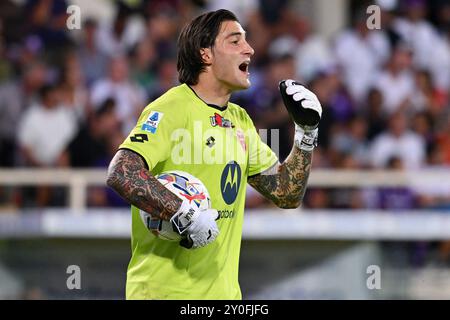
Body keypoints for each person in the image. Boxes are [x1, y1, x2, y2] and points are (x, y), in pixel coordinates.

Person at [106, 9, 322, 300]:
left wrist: (306, 135)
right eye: (235, 41)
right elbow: (122, 171)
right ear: (205, 54)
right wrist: (183, 214)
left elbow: (286, 193)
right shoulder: (171, 108)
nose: (250, 49)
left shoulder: (241, 120)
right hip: (162, 294)